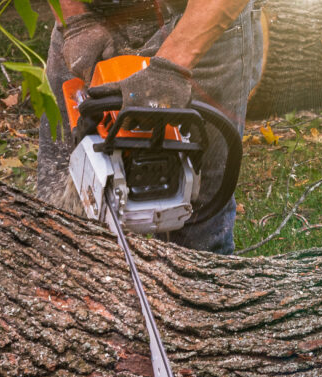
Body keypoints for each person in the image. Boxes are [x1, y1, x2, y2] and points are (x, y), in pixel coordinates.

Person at [38, 0, 263, 255]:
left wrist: (172, 67)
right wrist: (74, 20)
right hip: (89, 17)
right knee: (62, 214)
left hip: (199, 20)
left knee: (195, 221)